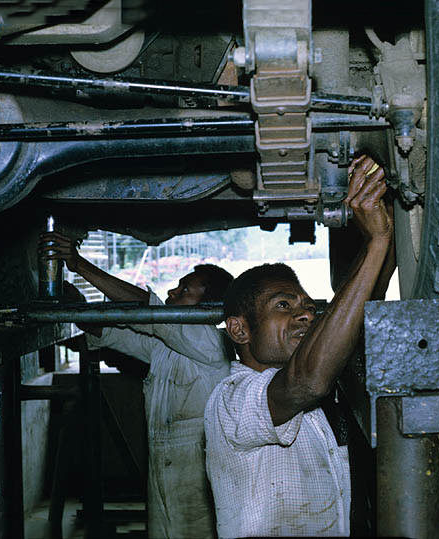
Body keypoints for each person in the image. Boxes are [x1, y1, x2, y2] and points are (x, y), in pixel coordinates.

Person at [204, 155, 396, 537]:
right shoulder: (231, 401)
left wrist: (384, 223)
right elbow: (307, 380)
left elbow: (359, 307)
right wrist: (376, 241)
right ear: (240, 330)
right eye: (283, 305)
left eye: (308, 306)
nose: (306, 314)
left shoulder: (305, 391)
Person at [40, 232, 234, 539]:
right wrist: (71, 303)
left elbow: (144, 306)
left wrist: (79, 265)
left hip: (198, 485)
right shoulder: (165, 347)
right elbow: (109, 332)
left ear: (208, 307)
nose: (173, 290)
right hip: (162, 479)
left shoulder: (209, 343)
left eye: (185, 290)